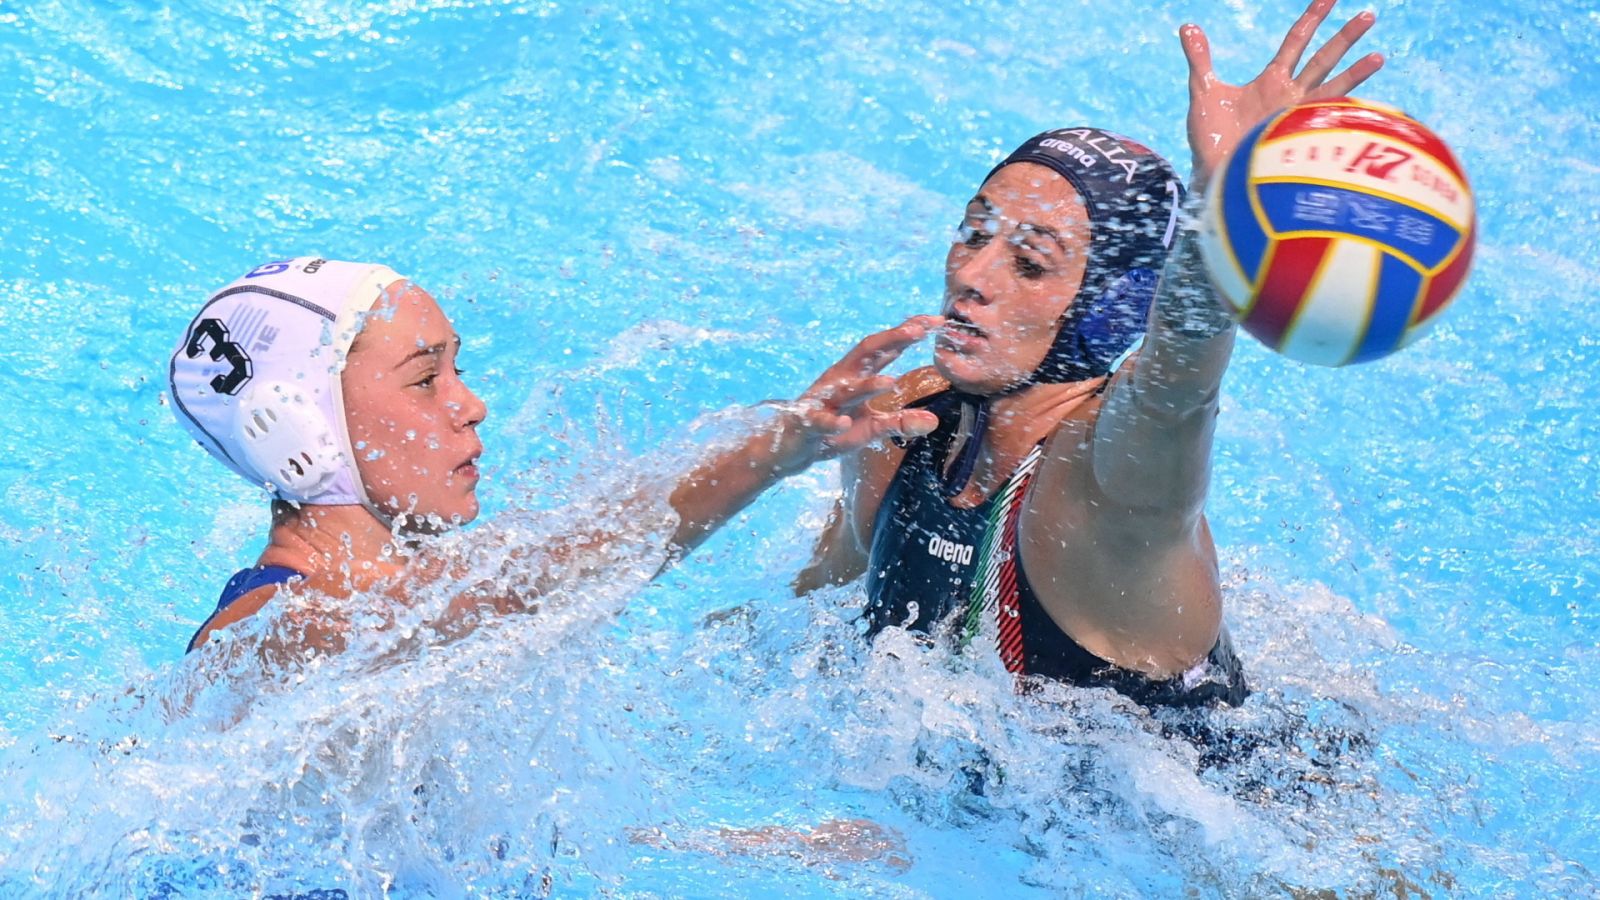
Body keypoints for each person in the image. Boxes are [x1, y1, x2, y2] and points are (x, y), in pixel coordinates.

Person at [793, 0, 1384, 707]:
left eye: (1031, 263)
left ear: (1108, 308)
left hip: (1218, 811)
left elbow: (1177, 388)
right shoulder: (900, 429)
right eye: (974, 233)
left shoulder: (1110, 487)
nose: (973, 278)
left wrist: (1221, 199)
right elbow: (798, 637)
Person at [170, 257, 944, 662]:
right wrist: (773, 452)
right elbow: (541, 577)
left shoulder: (418, 602)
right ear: (300, 427)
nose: (470, 405)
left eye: (459, 369)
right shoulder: (276, 634)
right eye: (425, 376)